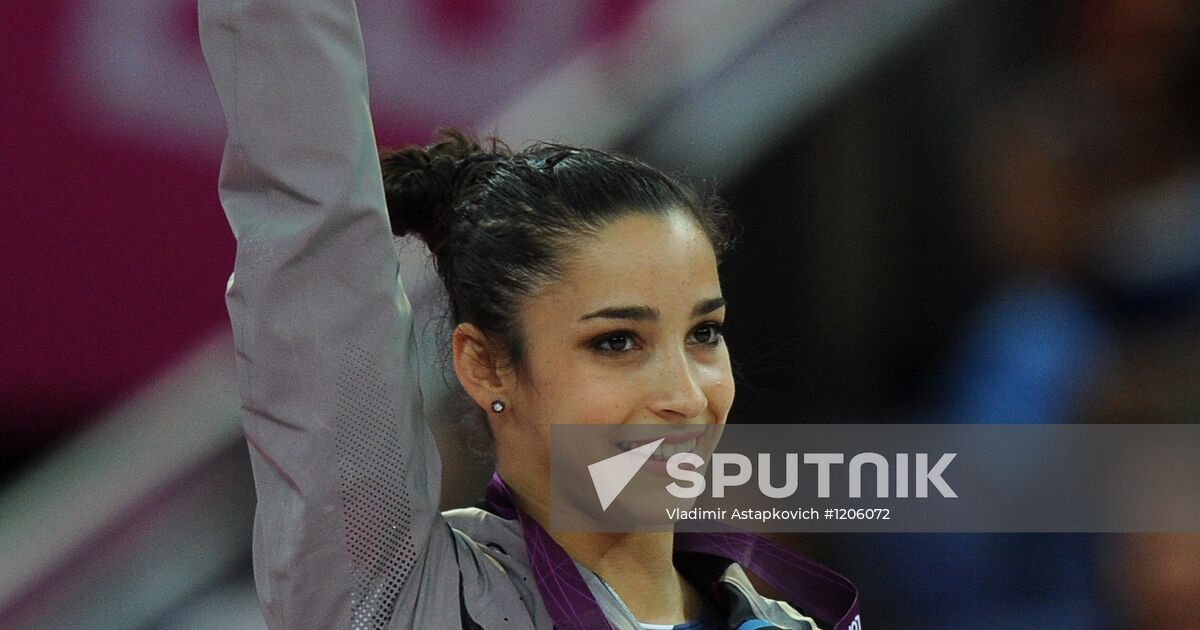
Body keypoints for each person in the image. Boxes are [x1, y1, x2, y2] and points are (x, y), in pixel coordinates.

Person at [198, 0, 860, 628]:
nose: (686, 396)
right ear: (486, 366)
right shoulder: (403, 603)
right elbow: (312, 224)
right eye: (618, 342)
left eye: (703, 334)